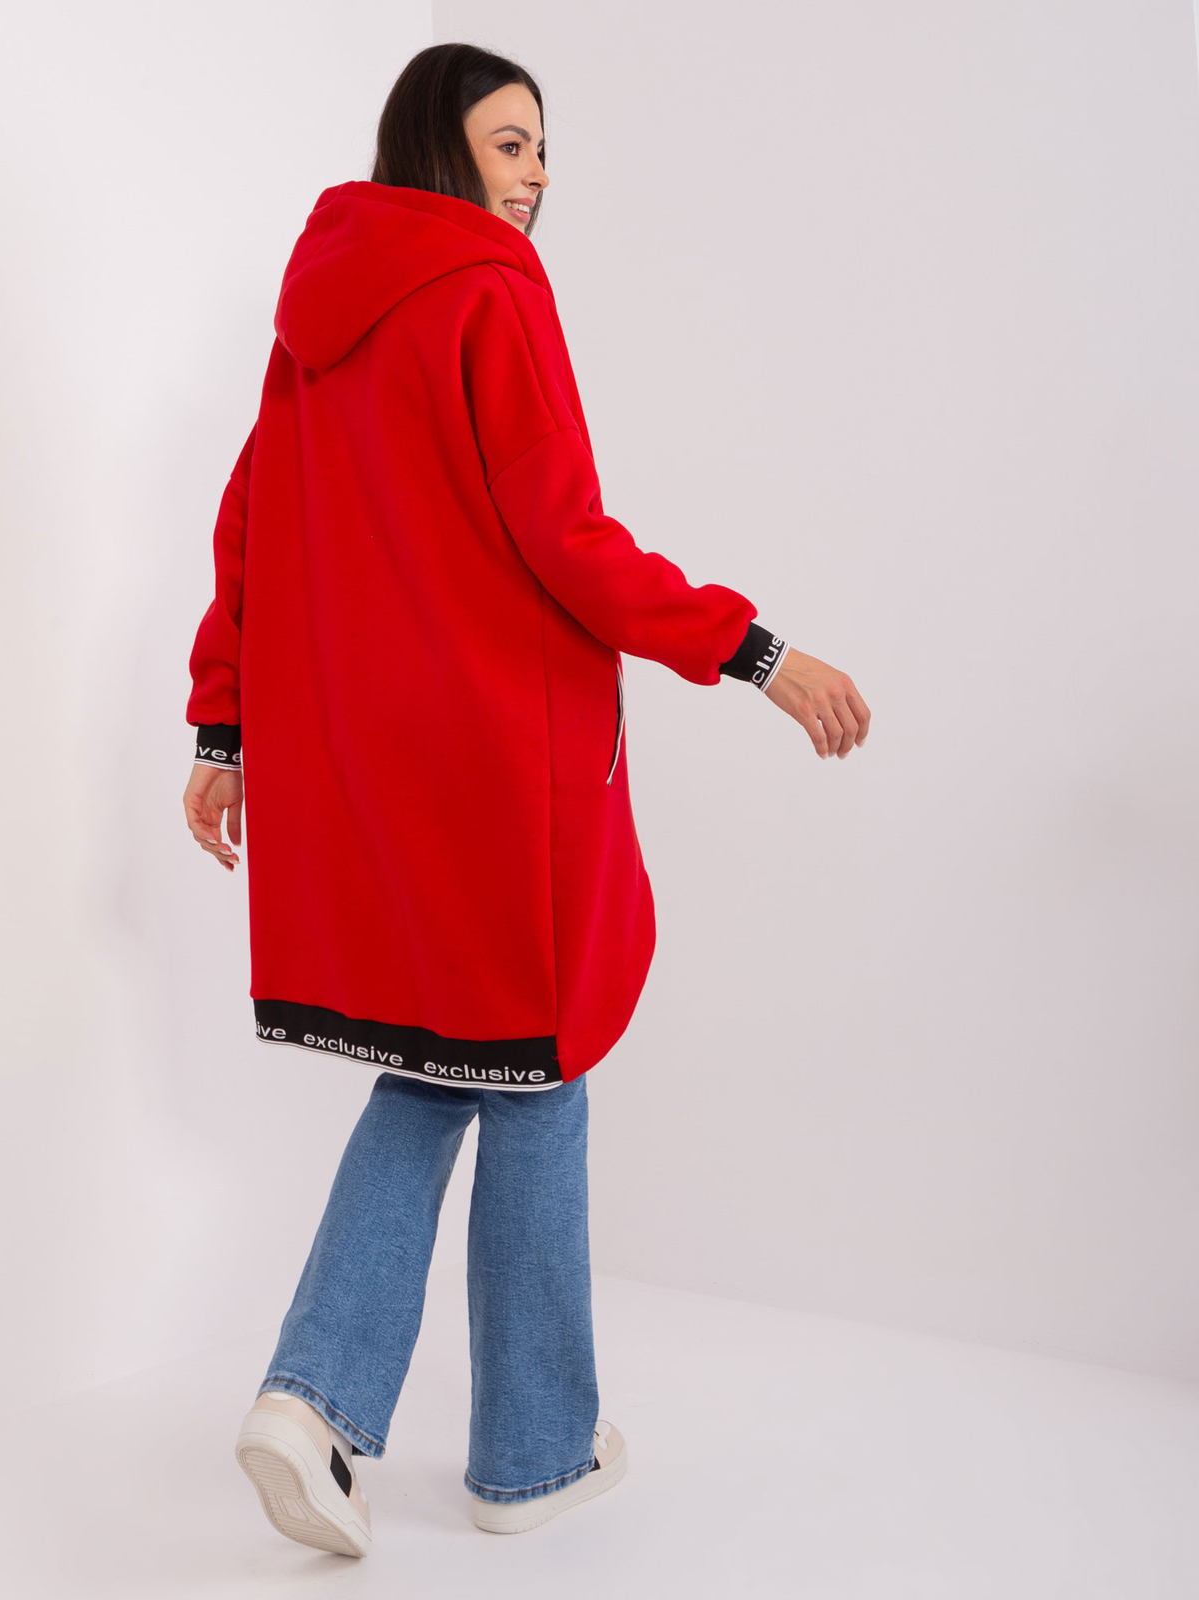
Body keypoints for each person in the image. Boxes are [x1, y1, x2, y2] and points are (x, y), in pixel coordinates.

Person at [182, 42, 870, 1559]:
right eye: (510, 143)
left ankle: (316, 1404)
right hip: (501, 760)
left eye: (545, 149)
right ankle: (527, 1454)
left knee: (449, 1059)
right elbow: (567, 537)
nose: (538, 175)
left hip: (369, 765)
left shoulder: (318, 310)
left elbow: (251, 523)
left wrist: (224, 726)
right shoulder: (490, 291)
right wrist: (754, 650)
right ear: (442, 144)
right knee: (541, 1057)